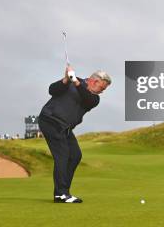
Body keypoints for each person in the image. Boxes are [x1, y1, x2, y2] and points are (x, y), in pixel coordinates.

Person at [38, 65, 111, 204]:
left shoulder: (94, 98)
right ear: (94, 81)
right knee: (63, 155)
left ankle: (62, 193)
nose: (102, 92)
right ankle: (61, 194)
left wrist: (75, 82)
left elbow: (86, 97)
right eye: (102, 88)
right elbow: (52, 90)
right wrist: (65, 79)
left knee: (75, 155)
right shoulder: (71, 82)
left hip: (65, 127)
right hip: (50, 120)